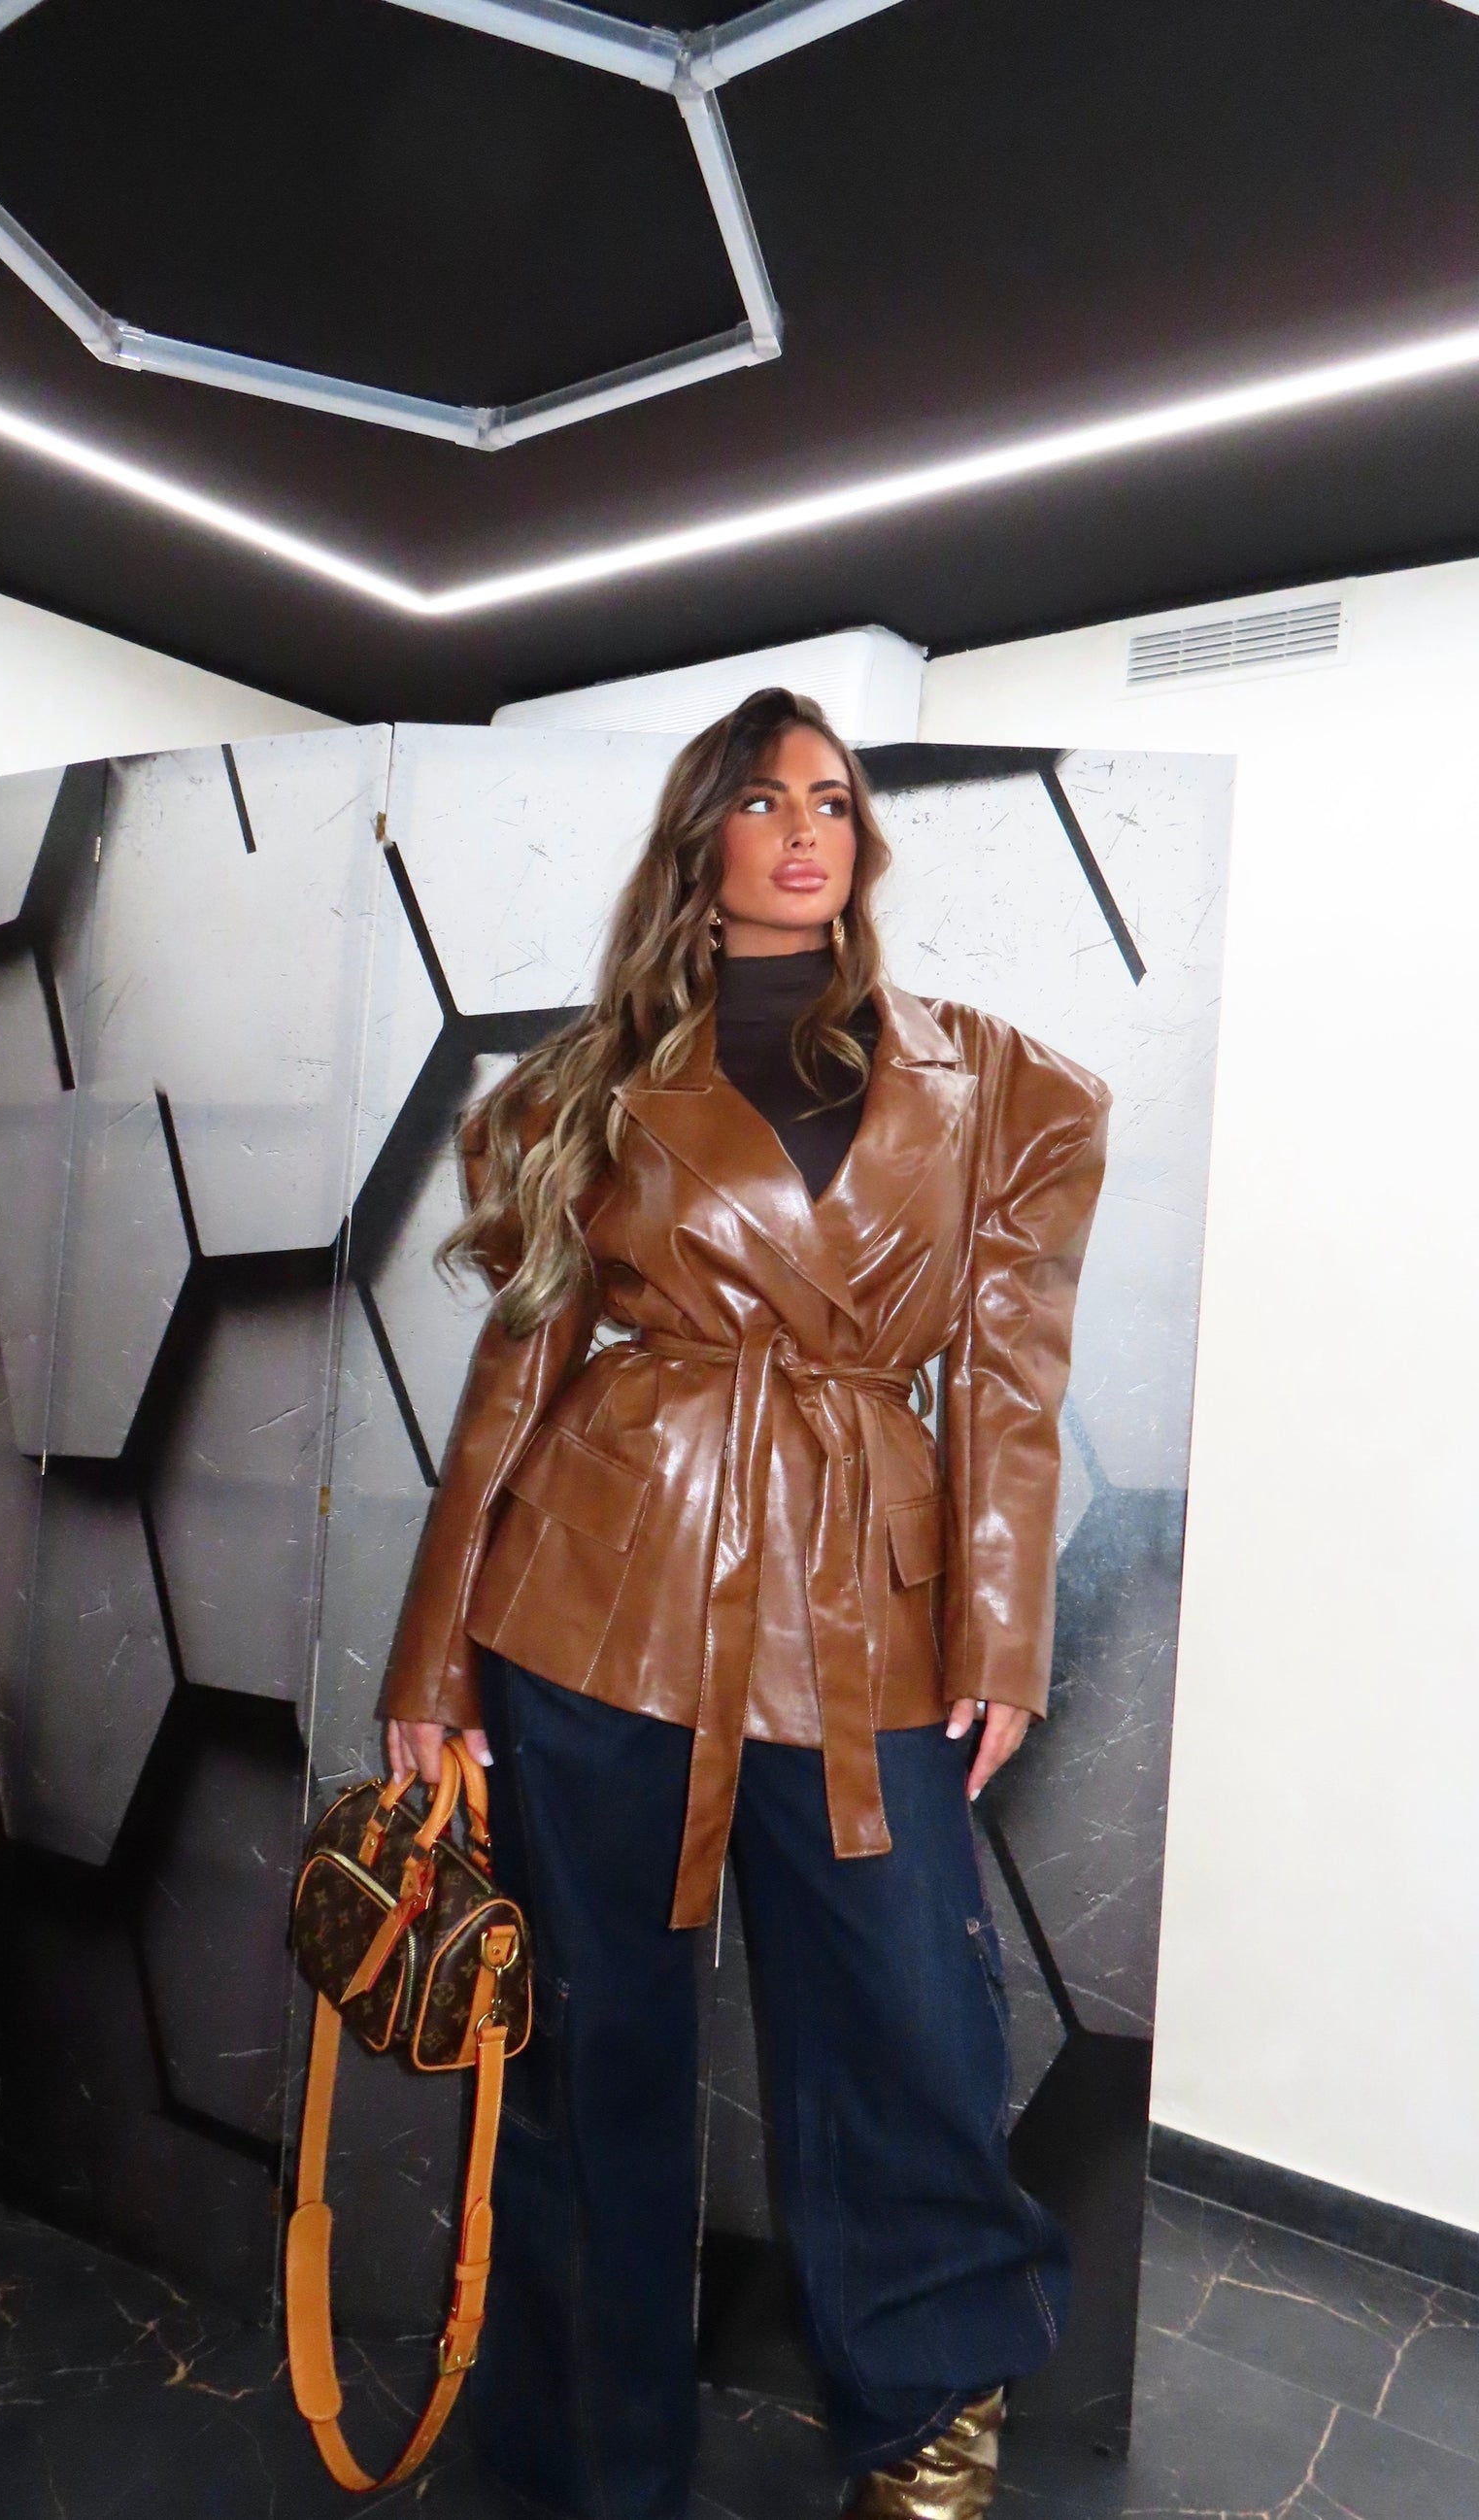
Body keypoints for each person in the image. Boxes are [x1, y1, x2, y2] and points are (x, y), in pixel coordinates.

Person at [379, 689, 1110, 2520]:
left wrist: (998, 1631)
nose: (807, 828)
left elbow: (1008, 1376)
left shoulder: (998, 1085)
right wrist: (433, 1661)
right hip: (599, 1591)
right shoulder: (584, 1086)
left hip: (860, 1598)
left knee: (906, 2025)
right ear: (699, 839)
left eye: (835, 800)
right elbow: (514, 1382)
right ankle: (589, 2460)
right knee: (593, 2042)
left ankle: (928, 2425)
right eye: (767, 799)